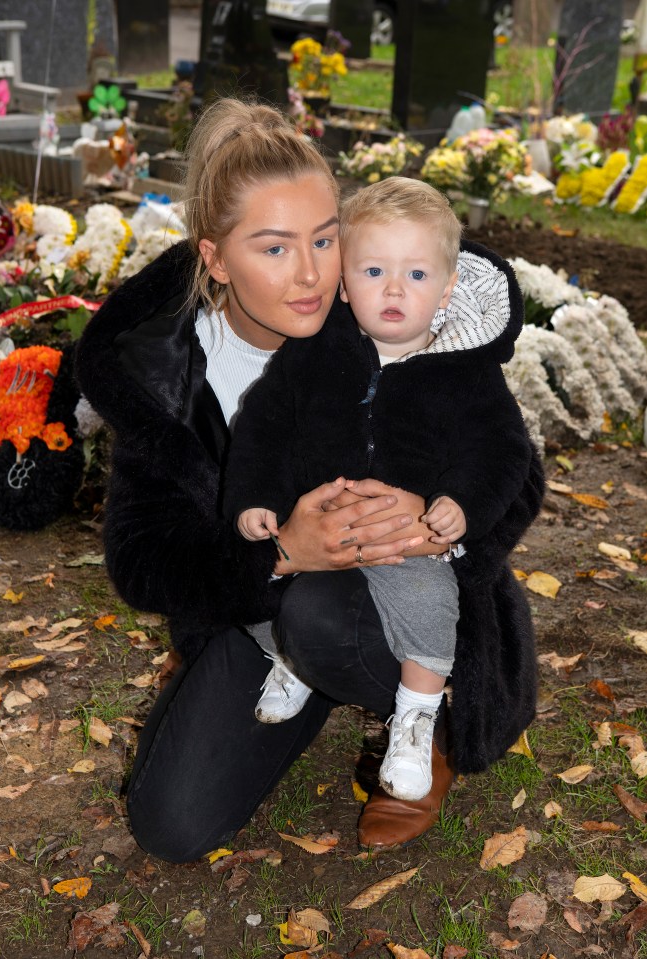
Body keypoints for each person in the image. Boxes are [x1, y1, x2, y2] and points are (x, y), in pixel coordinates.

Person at [75, 97, 544, 863]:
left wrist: (434, 520)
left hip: (407, 586)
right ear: (215, 258)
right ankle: (292, 671)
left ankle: (425, 723)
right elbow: (141, 559)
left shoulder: (380, 295)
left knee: (326, 617)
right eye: (273, 248)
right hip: (267, 606)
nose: (311, 273)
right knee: (172, 822)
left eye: (325, 239)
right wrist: (279, 553)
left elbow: (515, 469)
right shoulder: (159, 371)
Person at [225, 177, 536, 805]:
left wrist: (460, 506)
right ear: (345, 284)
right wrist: (254, 501)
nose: (395, 289)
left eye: (417, 275)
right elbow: (265, 429)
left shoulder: (467, 374)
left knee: (429, 600)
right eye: (373, 270)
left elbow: (502, 453)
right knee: (253, 587)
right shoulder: (314, 357)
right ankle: (290, 661)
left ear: (448, 287)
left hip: (404, 544)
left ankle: (417, 718)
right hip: (320, 530)